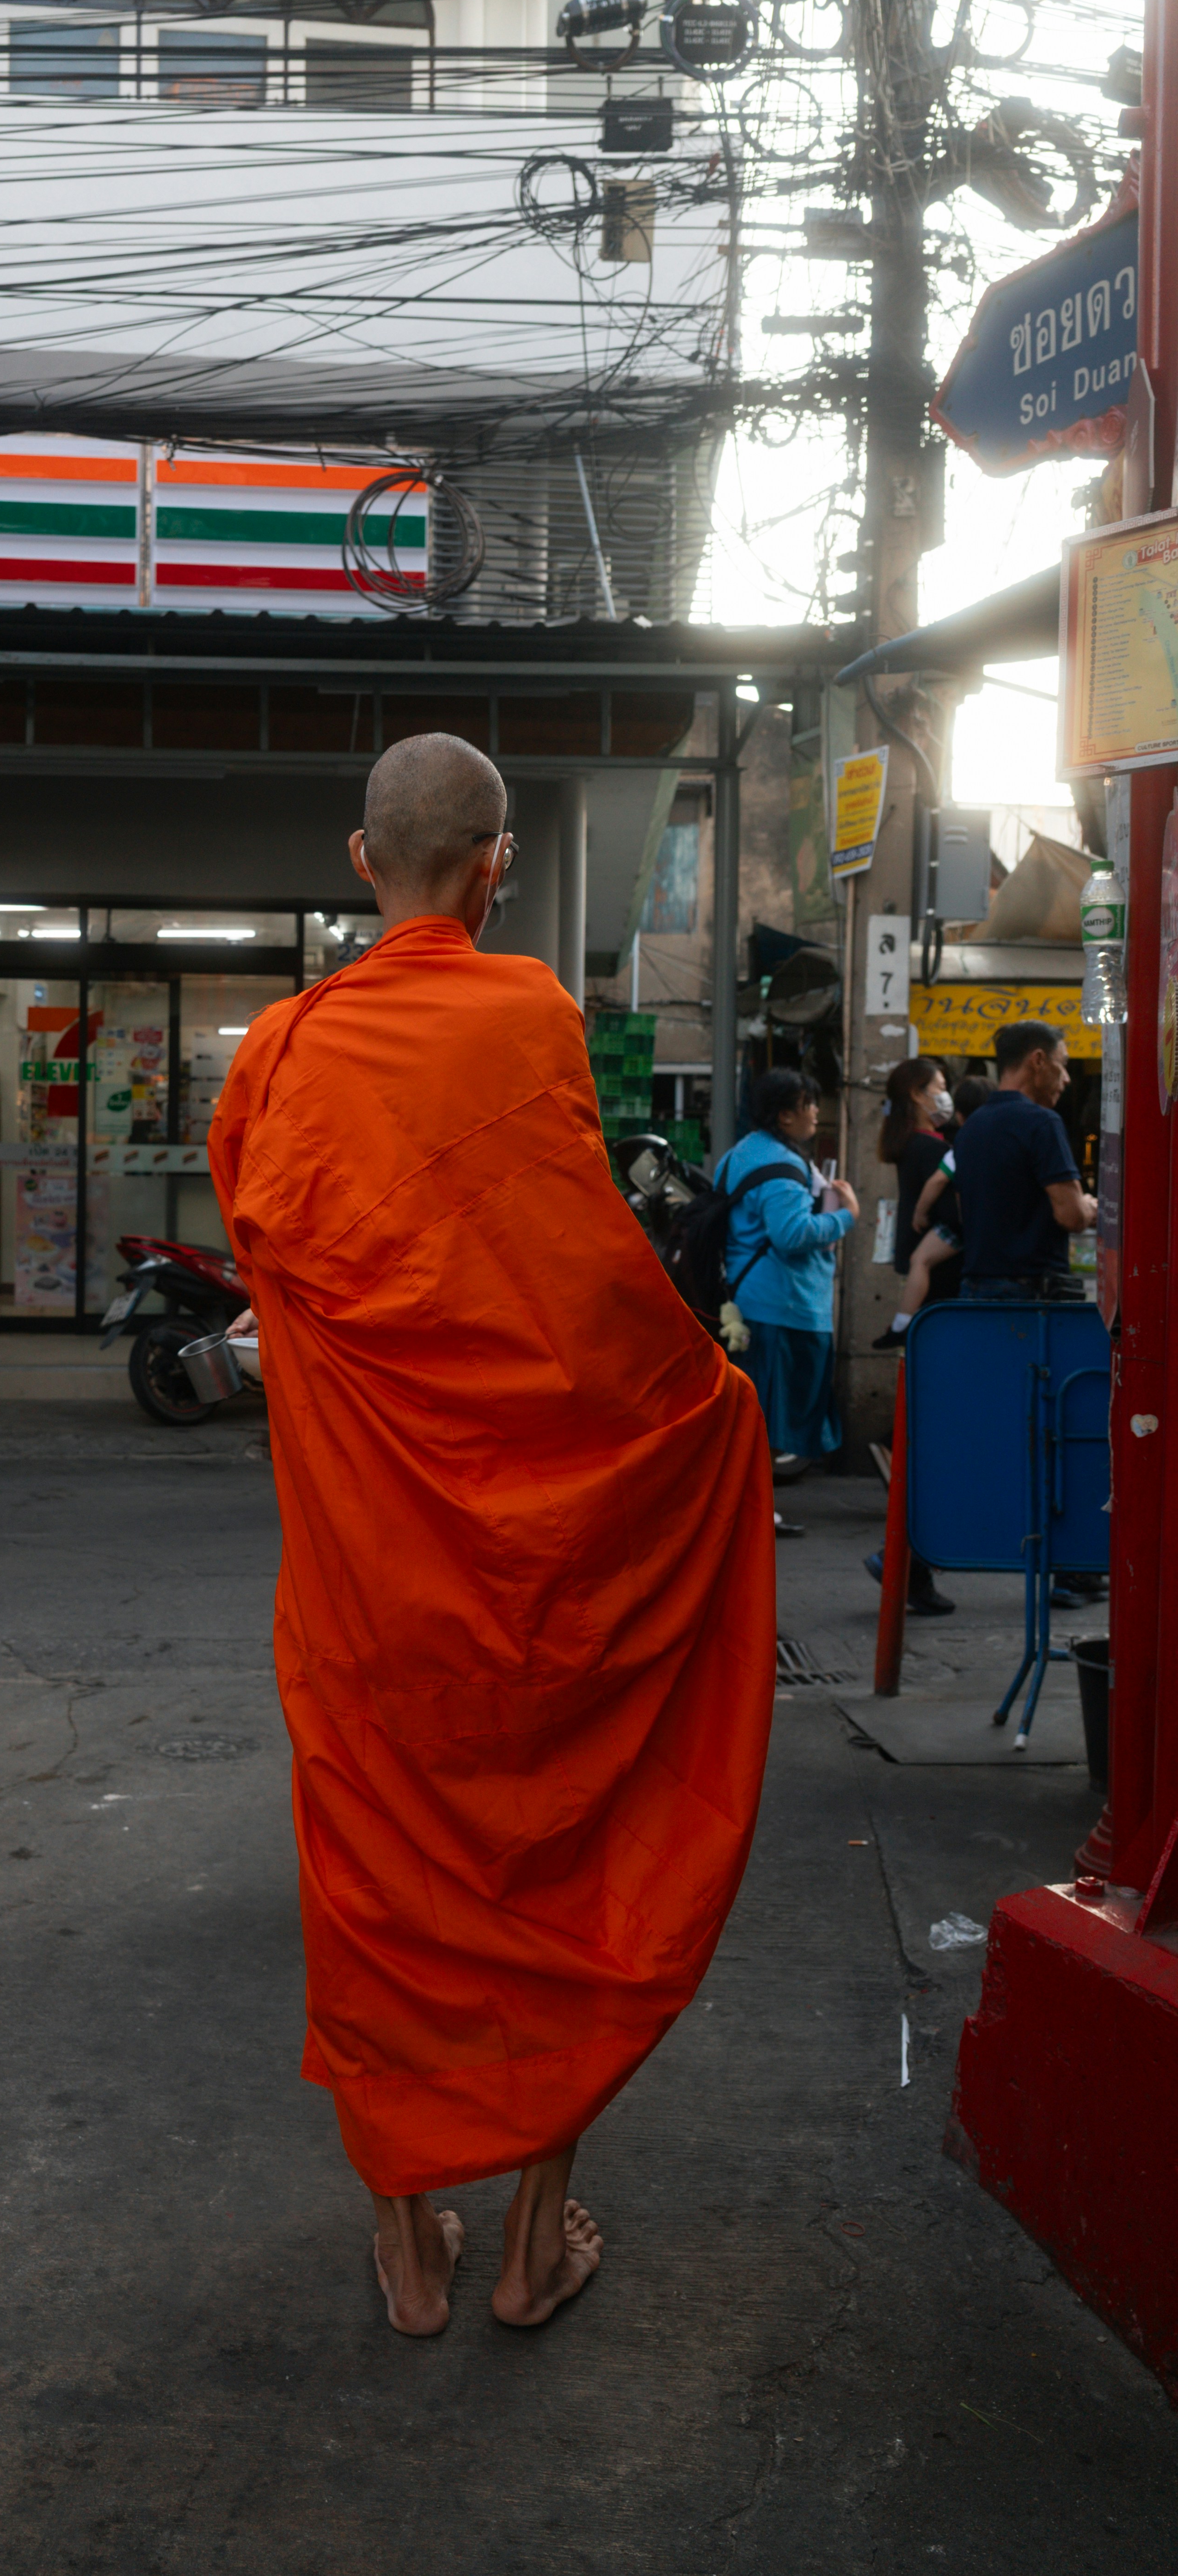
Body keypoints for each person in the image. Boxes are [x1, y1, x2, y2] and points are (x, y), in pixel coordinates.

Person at [209, 732, 775, 2341]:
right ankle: (530, 2246)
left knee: (376, 1885)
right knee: (557, 1868)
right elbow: (579, 1284)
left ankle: (408, 2247)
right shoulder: (527, 1014)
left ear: (357, 859)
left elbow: (286, 1263)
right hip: (532, 1565)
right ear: (499, 866)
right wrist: (709, 1410)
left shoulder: (277, 1056)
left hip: (369, 1576)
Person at [717, 1068, 856, 1471]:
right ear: (785, 1116)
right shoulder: (782, 1166)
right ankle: (756, 1517)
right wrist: (847, 1216)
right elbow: (792, 1235)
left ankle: (755, 1514)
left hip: (745, 1302)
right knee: (773, 1426)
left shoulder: (740, 1153)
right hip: (784, 1306)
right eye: (808, 1104)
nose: (816, 1111)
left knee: (751, 1421)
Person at [951, 1021, 1095, 1299]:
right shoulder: (1042, 1123)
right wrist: (1088, 1207)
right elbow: (1073, 1217)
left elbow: (964, 1210)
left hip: (975, 1291)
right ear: (1038, 1060)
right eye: (1062, 1064)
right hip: (1029, 1298)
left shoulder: (971, 1127)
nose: (1066, 1078)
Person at [877, 1073, 997, 1340]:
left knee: (921, 1260)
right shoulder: (948, 1146)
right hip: (965, 1247)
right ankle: (902, 1324)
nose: (946, 1097)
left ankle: (901, 1323)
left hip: (945, 1242)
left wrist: (921, 1213)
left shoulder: (955, 1146)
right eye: (941, 1088)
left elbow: (938, 1182)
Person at [868, 1059, 951, 1352]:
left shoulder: (913, 1145)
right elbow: (947, 1206)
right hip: (942, 1275)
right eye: (941, 1088)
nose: (946, 1095)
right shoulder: (929, 1148)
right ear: (918, 1094)